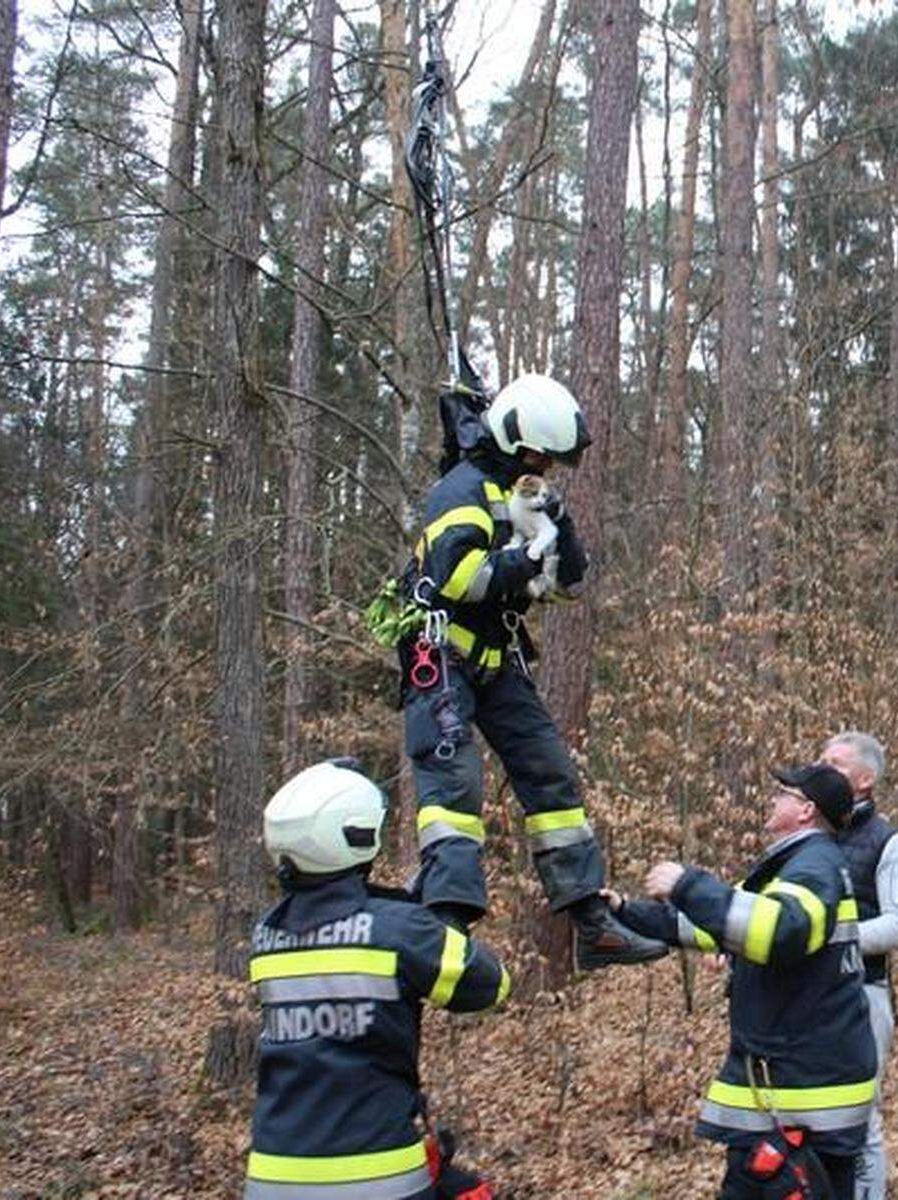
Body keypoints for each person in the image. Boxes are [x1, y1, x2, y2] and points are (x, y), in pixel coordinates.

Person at [400, 372, 662, 967]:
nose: (545, 465)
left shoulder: (520, 493)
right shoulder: (459, 492)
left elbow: (564, 587)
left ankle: (591, 922)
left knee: (551, 776)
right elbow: (461, 578)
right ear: (516, 440)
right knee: (453, 782)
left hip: (497, 658)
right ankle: (448, 923)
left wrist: (558, 531)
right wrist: (526, 555)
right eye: (540, 454)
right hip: (441, 653)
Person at [608, 764, 878, 1199]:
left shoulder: (813, 867)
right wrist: (624, 910)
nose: (772, 800)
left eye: (782, 794)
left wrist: (687, 884)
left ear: (806, 810)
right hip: (799, 1080)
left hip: (803, 1089)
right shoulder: (794, 866)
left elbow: (778, 931)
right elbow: (718, 926)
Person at [246, 759, 507, 1199]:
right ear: (357, 836)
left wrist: (410, 910)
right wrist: (444, 913)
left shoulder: (267, 935)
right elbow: (491, 984)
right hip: (378, 1180)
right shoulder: (399, 931)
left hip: (271, 1178)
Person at [819, 732, 898, 1199]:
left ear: (865, 779)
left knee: (860, 1119)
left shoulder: (891, 843)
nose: (821, 768)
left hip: (863, 995)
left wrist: (828, 937)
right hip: (804, 997)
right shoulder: (806, 834)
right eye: (820, 760)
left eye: (834, 763)